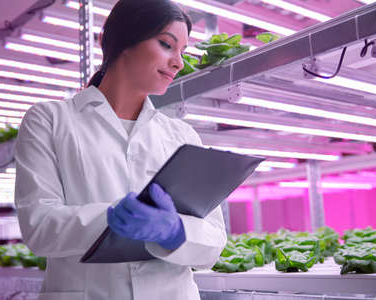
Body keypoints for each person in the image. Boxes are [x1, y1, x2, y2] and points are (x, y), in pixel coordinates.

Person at [14, 0, 227, 299]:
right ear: (123, 40)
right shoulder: (49, 119)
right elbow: (39, 226)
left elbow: (215, 241)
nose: (179, 62)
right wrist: (111, 218)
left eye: (183, 52)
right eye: (167, 45)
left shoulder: (183, 135)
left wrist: (173, 231)